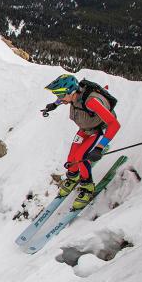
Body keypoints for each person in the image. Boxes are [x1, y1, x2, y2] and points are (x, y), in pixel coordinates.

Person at [42, 74, 120, 210]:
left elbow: (114, 125)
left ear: (70, 92)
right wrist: (54, 105)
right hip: (85, 129)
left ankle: (87, 186)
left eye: (60, 95)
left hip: (98, 131)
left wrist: (99, 148)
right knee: (72, 157)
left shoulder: (91, 102)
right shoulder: (73, 95)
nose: (59, 98)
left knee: (81, 158)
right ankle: (72, 177)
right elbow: (64, 99)